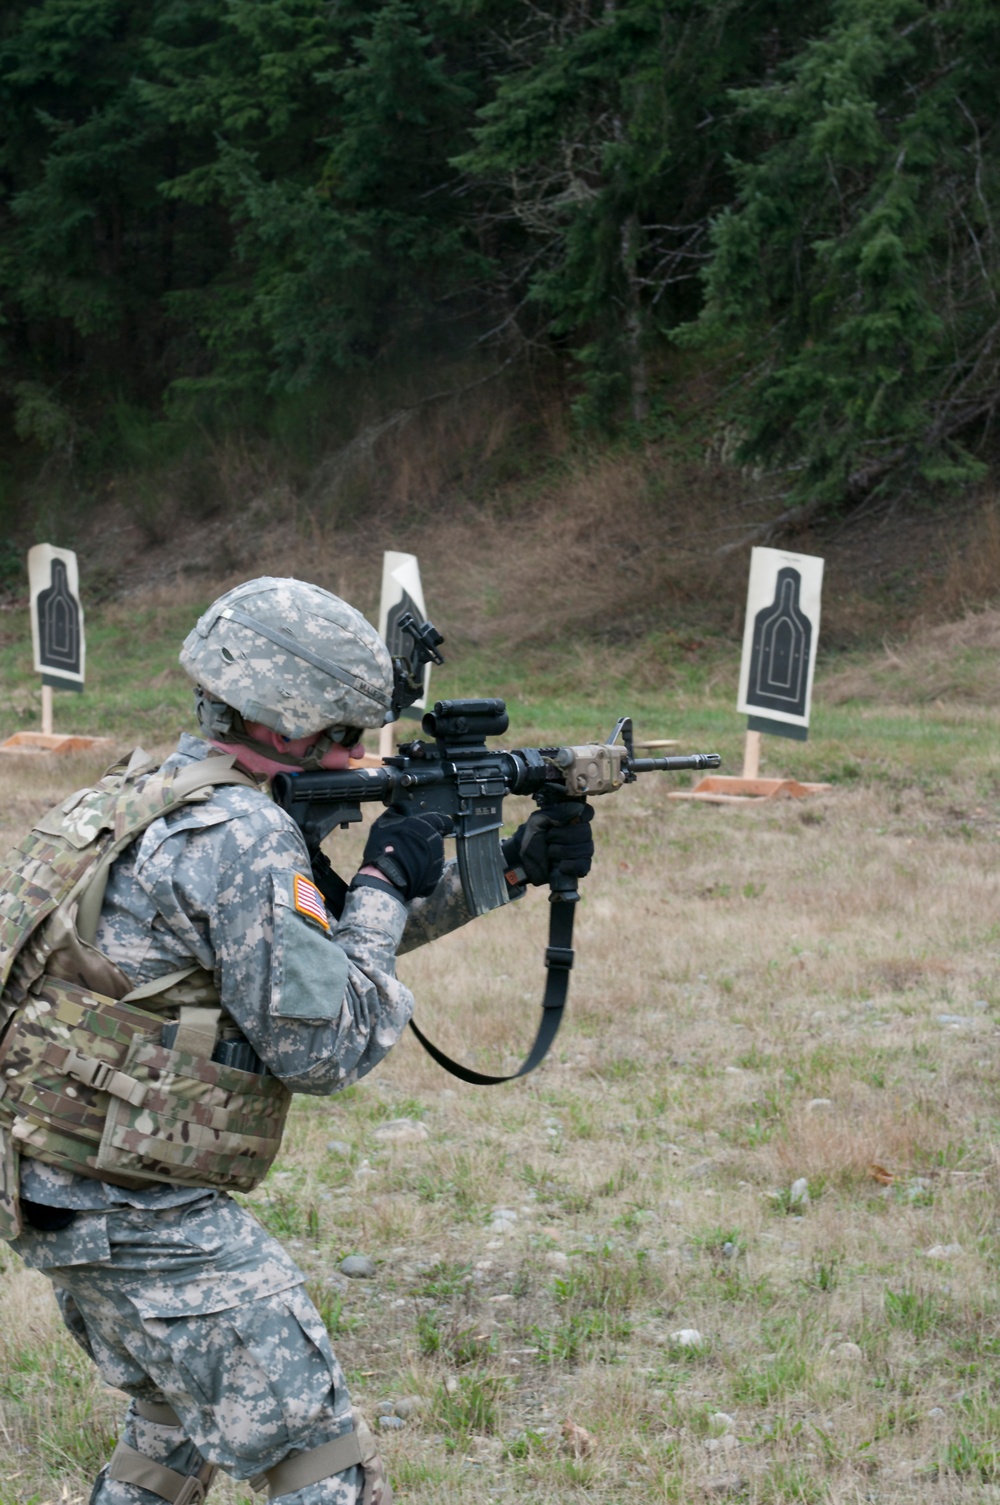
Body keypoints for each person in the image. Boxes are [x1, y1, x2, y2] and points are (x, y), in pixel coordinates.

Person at [0, 577, 594, 1505]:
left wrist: (506, 870)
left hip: (69, 1198)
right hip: (154, 1221)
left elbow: (290, 961)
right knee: (324, 1473)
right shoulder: (243, 835)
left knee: (169, 1442)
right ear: (291, 718)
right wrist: (391, 875)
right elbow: (327, 1044)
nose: (360, 757)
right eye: (349, 735)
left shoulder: (148, 792)